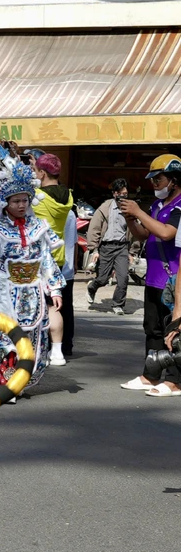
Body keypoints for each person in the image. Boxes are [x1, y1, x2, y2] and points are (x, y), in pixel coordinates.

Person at [0, 160, 64, 396]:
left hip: (33, 293)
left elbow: (46, 259)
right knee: (5, 339)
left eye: (25, 200)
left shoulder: (39, 226)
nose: (22, 205)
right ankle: (7, 385)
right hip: (4, 292)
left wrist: (54, 289)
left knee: (30, 339)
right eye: (16, 201)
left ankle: (19, 382)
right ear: (5, 202)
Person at [117, 155, 181, 397]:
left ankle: (175, 380)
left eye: (159, 179)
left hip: (173, 280)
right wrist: (130, 218)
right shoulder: (157, 206)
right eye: (152, 179)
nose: (155, 184)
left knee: (173, 332)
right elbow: (144, 235)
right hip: (153, 277)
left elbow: (166, 233)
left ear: (174, 180)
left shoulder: (179, 206)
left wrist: (138, 211)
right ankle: (151, 375)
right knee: (152, 329)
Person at [32, 154, 73, 366]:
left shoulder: (37, 198)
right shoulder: (68, 197)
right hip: (57, 256)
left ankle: (39, 348)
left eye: (37, 171)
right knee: (53, 305)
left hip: (37, 255)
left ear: (42, 173)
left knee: (34, 305)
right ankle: (57, 351)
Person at [86, 179, 133, 315]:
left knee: (123, 277)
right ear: (114, 194)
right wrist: (94, 249)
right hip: (106, 247)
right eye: (120, 193)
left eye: (125, 193)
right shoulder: (105, 208)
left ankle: (118, 304)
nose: (123, 196)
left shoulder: (130, 209)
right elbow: (94, 228)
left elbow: (134, 230)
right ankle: (92, 287)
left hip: (122, 247)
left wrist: (133, 251)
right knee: (103, 278)